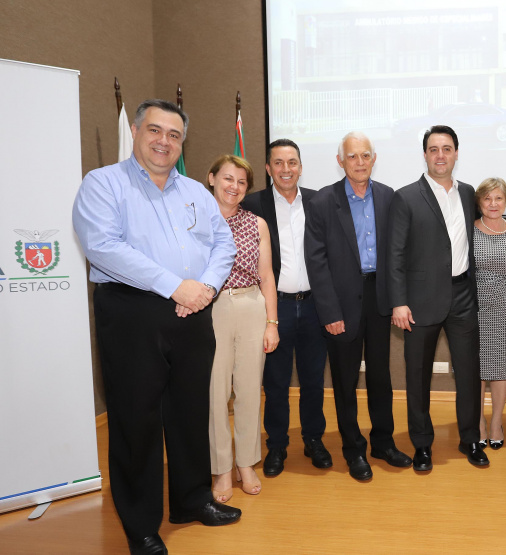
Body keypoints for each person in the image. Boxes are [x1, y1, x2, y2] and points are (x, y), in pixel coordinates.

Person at [72, 99, 239, 555]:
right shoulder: (103, 184)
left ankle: (192, 500)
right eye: (155, 131)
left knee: (189, 412)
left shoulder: (195, 192)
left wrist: (202, 288)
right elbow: (103, 247)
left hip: (194, 310)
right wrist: (174, 287)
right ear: (137, 131)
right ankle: (141, 523)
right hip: (132, 313)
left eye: (174, 135)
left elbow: (222, 243)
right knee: (136, 420)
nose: (164, 141)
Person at [304, 132, 413, 481]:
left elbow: (397, 254)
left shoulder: (387, 197)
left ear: (374, 158)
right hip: (341, 303)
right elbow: (316, 262)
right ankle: (354, 450)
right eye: (352, 156)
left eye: (366, 155)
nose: (360, 162)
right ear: (340, 161)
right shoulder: (322, 202)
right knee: (346, 379)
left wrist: (399, 300)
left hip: (380, 299)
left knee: (381, 377)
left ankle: (383, 442)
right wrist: (329, 313)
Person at [388, 125, 489, 470]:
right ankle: (422, 445)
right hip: (419, 301)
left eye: (447, 148)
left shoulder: (468, 193)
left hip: (462, 294)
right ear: (425, 155)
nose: (440, 155)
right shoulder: (406, 196)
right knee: (417, 376)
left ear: (456, 153)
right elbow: (395, 255)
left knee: (469, 373)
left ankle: (470, 439)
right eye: (434, 149)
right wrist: (398, 302)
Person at [241, 139, 330, 476]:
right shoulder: (253, 205)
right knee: (275, 381)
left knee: (312, 380)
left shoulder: (319, 201)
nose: (286, 169)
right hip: (272, 308)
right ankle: (276, 446)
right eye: (278, 163)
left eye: (292, 162)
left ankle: (314, 440)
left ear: (301, 166)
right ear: (268, 168)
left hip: (312, 306)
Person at [206, 155, 279, 503]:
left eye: (241, 182)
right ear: (211, 179)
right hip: (212, 308)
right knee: (216, 392)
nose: (234, 187)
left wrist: (271, 323)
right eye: (227, 179)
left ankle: (246, 463)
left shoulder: (257, 224)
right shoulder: (195, 220)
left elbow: (267, 276)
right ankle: (221, 468)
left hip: (252, 305)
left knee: (249, 389)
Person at [473, 177, 506, 450]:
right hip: (475, 306)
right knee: (478, 368)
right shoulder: (469, 230)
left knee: (502, 366)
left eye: (499, 198)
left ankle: (496, 422)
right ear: (479, 202)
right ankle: (479, 422)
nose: (493, 204)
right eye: (487, 198)